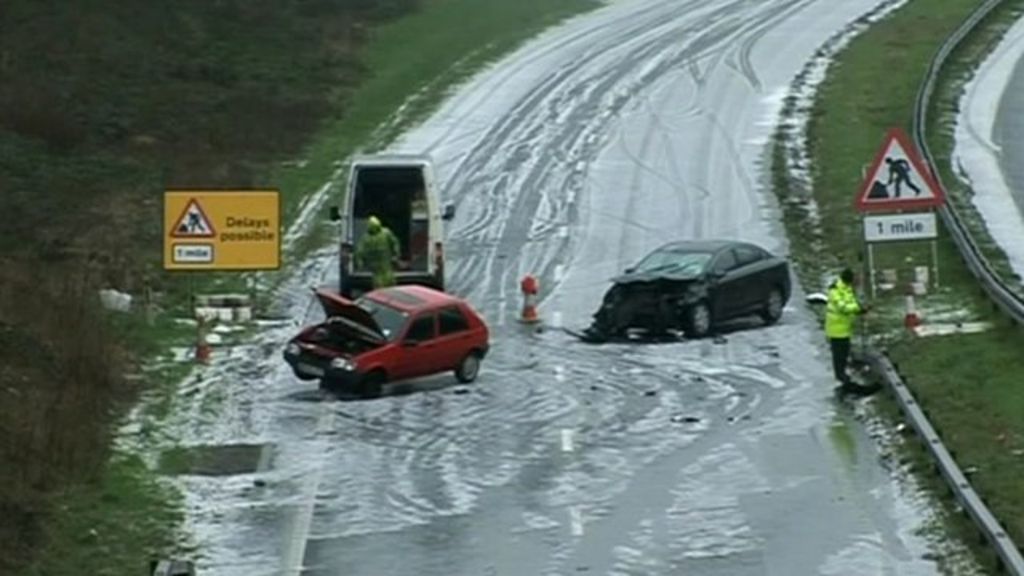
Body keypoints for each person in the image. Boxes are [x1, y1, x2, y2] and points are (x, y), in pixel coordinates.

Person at [825, 267, 868, 390]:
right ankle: (840, 375)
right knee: (838, 354)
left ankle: (842, 373)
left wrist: (859, 310)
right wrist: (858, 310)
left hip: (844, 327)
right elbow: (843, 307)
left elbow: (852, 304)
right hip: (836, 329)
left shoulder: (847, 288)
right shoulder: (835, 290)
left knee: (844, 351)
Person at [356, 215, 400, 288]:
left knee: (386, 282)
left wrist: (396, 255)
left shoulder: (385, 233)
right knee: (383, 282)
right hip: (377, 267)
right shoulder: (367, 238)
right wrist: (360, 263)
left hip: (384, 265)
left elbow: (395, 243)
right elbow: (360, 252)